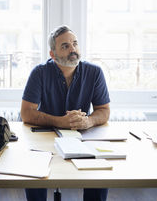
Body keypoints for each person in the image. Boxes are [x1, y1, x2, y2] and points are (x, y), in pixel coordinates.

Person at [21, 25, 110, 201]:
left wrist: (89, 122)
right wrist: (60, 121)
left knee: (100, 171)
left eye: (75, 44)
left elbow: (104, 111)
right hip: (43, 136)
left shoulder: (94, 72)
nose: (73, 49)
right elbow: (26, 113)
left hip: (81, 135)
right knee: (33, 170)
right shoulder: (39, 73)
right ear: (52, 54)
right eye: (65, 46)